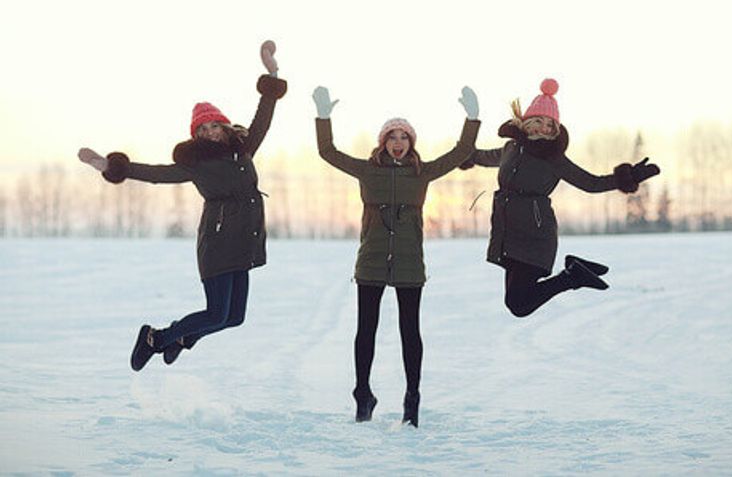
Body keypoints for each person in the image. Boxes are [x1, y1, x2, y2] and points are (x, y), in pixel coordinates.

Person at [77, 41, 287, 371]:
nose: (210, 133)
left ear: (224, 125)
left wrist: (272, 72)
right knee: (216, 313)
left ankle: (181, 338)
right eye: (202, 130)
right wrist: (111, 166)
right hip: (218, 244)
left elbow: (264, 117)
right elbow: (158, 175)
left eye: (214, 125)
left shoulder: (243, 148)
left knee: (234, 318)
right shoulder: (196, 164)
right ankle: (155, 338)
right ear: (197, 136)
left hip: (244, 241)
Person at [313, 85, 481, 427]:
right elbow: (328, 151)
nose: (398, 141)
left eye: (404, 136)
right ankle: (362, 393)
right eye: (393, 136)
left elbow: (462, 151)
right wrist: (324, 117)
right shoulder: (367, 170)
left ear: (411, 142)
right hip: (372, 258)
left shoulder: (423, 172)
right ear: (383, 141)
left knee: (410, 331)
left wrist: (472, 118)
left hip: (408, 261)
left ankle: (412, 398)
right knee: (366, 330)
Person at [460, 78, 660, 318]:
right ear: (527, 121)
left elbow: (591, 183)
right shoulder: (510, 148)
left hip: (535, 235)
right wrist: (471, 121)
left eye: (550, 124)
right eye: (540, 121)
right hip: (509, 235)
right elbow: (474, 156)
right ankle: (573, 272)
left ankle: (573, 276)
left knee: (518, 304)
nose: (544, 128)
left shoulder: (553, 159)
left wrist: (629, 176)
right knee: (516, 302)